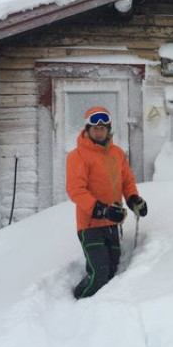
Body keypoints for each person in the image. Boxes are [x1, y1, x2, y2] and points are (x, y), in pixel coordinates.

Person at [66, 106, 148, 299]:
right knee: (99, 274)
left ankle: (102, 309)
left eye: (103, 128)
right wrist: (101, 210)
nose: (99, 131)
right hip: (90, 225)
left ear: (108, 129)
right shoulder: (77, 156)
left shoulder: (117, 154)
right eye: (94, 128)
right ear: (87, 129)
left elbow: (127, 182)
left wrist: (133, 199)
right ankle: (77, 301)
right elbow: (75, 190)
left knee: (112, 270)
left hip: (112, 223)